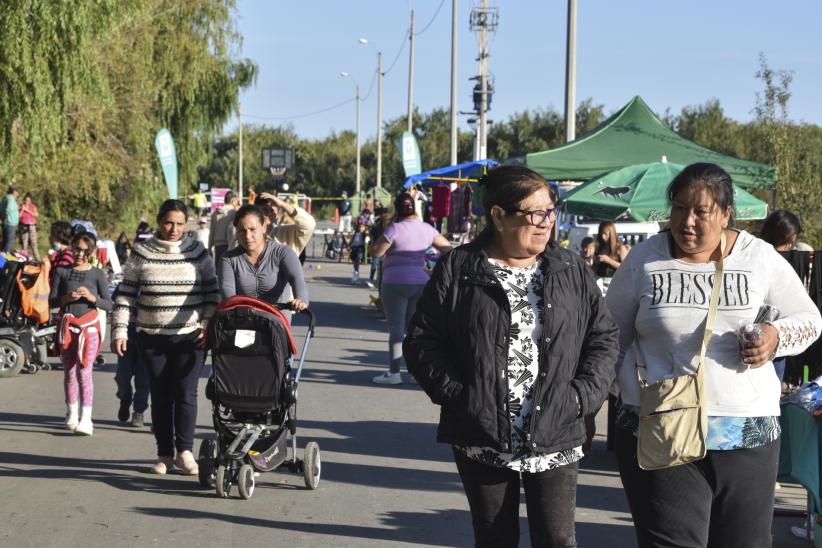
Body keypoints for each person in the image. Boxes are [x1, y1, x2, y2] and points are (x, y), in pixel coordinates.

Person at [606, 163, 822, 548]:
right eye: (678, 208)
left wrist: (775, 337)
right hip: (661, 431)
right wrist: (606, 397)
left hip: (747, 436)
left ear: (725, 214)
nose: (687, 221)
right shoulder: (644, 259)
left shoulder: (760, 257)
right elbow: (609, 339)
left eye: (701, 212)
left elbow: (810, 319)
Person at [404, 165, 619, 547]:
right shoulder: (460, 267)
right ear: (499, 216)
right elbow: (423, 342)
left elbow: (603, 337)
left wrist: (582, 397)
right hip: (483, 434)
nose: (546, 222)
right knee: (494, 538)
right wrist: (460, 395)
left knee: (556, 539)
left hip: (557, 427)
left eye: (550, 211)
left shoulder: (570, 269)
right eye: (534, 214)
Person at [113, 199, 219, 475]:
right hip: (152, 337)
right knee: (160, 395)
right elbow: (125, 295)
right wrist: (120, 330)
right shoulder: (142, 251)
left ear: (187, 225)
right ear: (159, 221)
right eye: (169, 222)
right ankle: (164, 454)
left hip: (190, 337)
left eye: (180, 224)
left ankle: (185, 451)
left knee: (185, 392)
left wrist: (206, 324)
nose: (174, 229)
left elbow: (212, 294)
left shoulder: (197, 251)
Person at [368, 192, 452, 385]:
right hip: (420, 282)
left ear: (398, 208)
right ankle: (416, 373)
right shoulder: (427, 229)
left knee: (396, 328)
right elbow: (448, 249)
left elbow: (376, 253)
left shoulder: (395, 229)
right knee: (414, 330)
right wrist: (435, 269)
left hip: (394, 282)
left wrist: (377, 242)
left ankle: (394, 373)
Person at [50, 232, 113, 436]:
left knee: (84, 372)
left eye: (85, 250)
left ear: (91, 251)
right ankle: (71, 412)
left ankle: (86, 419)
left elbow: (109, 304)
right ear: (71, 248)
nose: (79, 253)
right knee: (69, 372)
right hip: (67, 327)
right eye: (76, 248)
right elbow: (51, 301)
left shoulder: (97, 274)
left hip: (90, 328)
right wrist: (66, 297)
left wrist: (92, 298)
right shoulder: (61, 271)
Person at [219, 204, 308, 316]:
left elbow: (297, 279)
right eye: (242, 231)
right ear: (236, 232)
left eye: (252, 229)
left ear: (264, 228)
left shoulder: (283, 252)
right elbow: (227, 291)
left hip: (276, 324)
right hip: (243, 323)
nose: (247, 236)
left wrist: (300, 299)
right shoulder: (228, 259)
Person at [111, 285, 149, 428]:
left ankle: (139, 411)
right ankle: (125, 399)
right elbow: (116, 305)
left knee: (144, 379)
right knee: (122, 375)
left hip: (147, 338)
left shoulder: (155, 282)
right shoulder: (124, 285)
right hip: (126, 337)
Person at [254, 192, 316, 256]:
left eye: (272, 210)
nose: (268, 213)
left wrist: (282, 204)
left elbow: (309, 224)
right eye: (264, 210)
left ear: (277, 214)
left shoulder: (287, 233)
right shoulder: (249, 234)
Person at [208, 191, 240, 263]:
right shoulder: (234, 213)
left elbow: (211, 233)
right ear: (233, 200)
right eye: (237, 201)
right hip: (230, 246)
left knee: (218, 271)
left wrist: (209, 248)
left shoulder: (215, 213)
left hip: (217, 247)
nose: (238, 203)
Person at [18, 193, 39, 259]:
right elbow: (18, 216)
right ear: (24, 200)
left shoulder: (33, 206)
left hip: (32, 225)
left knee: (34, 243)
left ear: (30, 201)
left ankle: (37, 259)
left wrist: (28, 210)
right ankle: (25, 259)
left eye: (29, 200)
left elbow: (36, 215)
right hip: (23, 225)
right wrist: (22, 210)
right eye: (26, 200)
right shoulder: (21, 206)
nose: (27, 202)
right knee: (24, 243)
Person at [1, 186, 20, 253]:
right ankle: (6, 257)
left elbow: (1, 209)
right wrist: (7, 217)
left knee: (5, 241)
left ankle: (2, 256)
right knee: (9, 242)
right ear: (14, 192)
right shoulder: (11, 198)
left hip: (6, 223)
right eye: (17, 192)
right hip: (10, 223)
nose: (18, 194)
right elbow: (9, 209)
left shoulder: (5, 198)